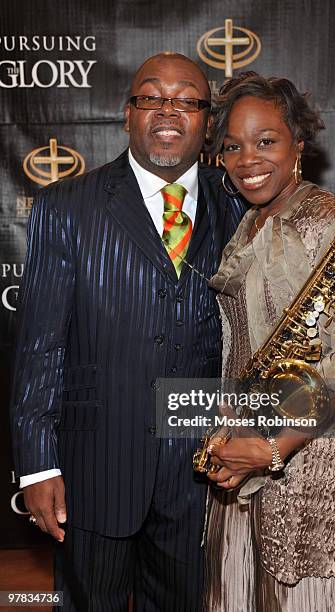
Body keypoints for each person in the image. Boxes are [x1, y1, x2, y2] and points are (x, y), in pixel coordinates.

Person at [10, 52, 246, 612]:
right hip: (96, 468)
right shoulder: (65, 206)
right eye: (151, 96)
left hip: (202, 476)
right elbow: (41, 346)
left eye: (187, 99)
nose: (169, 110)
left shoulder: (240, 203)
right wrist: (39, 464)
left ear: (208, 121)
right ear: (127, 112)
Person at [203, 73, 335, 611]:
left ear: (298, 145)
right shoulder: (252, 223)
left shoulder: (333, 223)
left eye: (266, 141)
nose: (247, 159)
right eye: (232, 146)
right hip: (244, 449)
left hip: (305, 456)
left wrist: (275, 449)